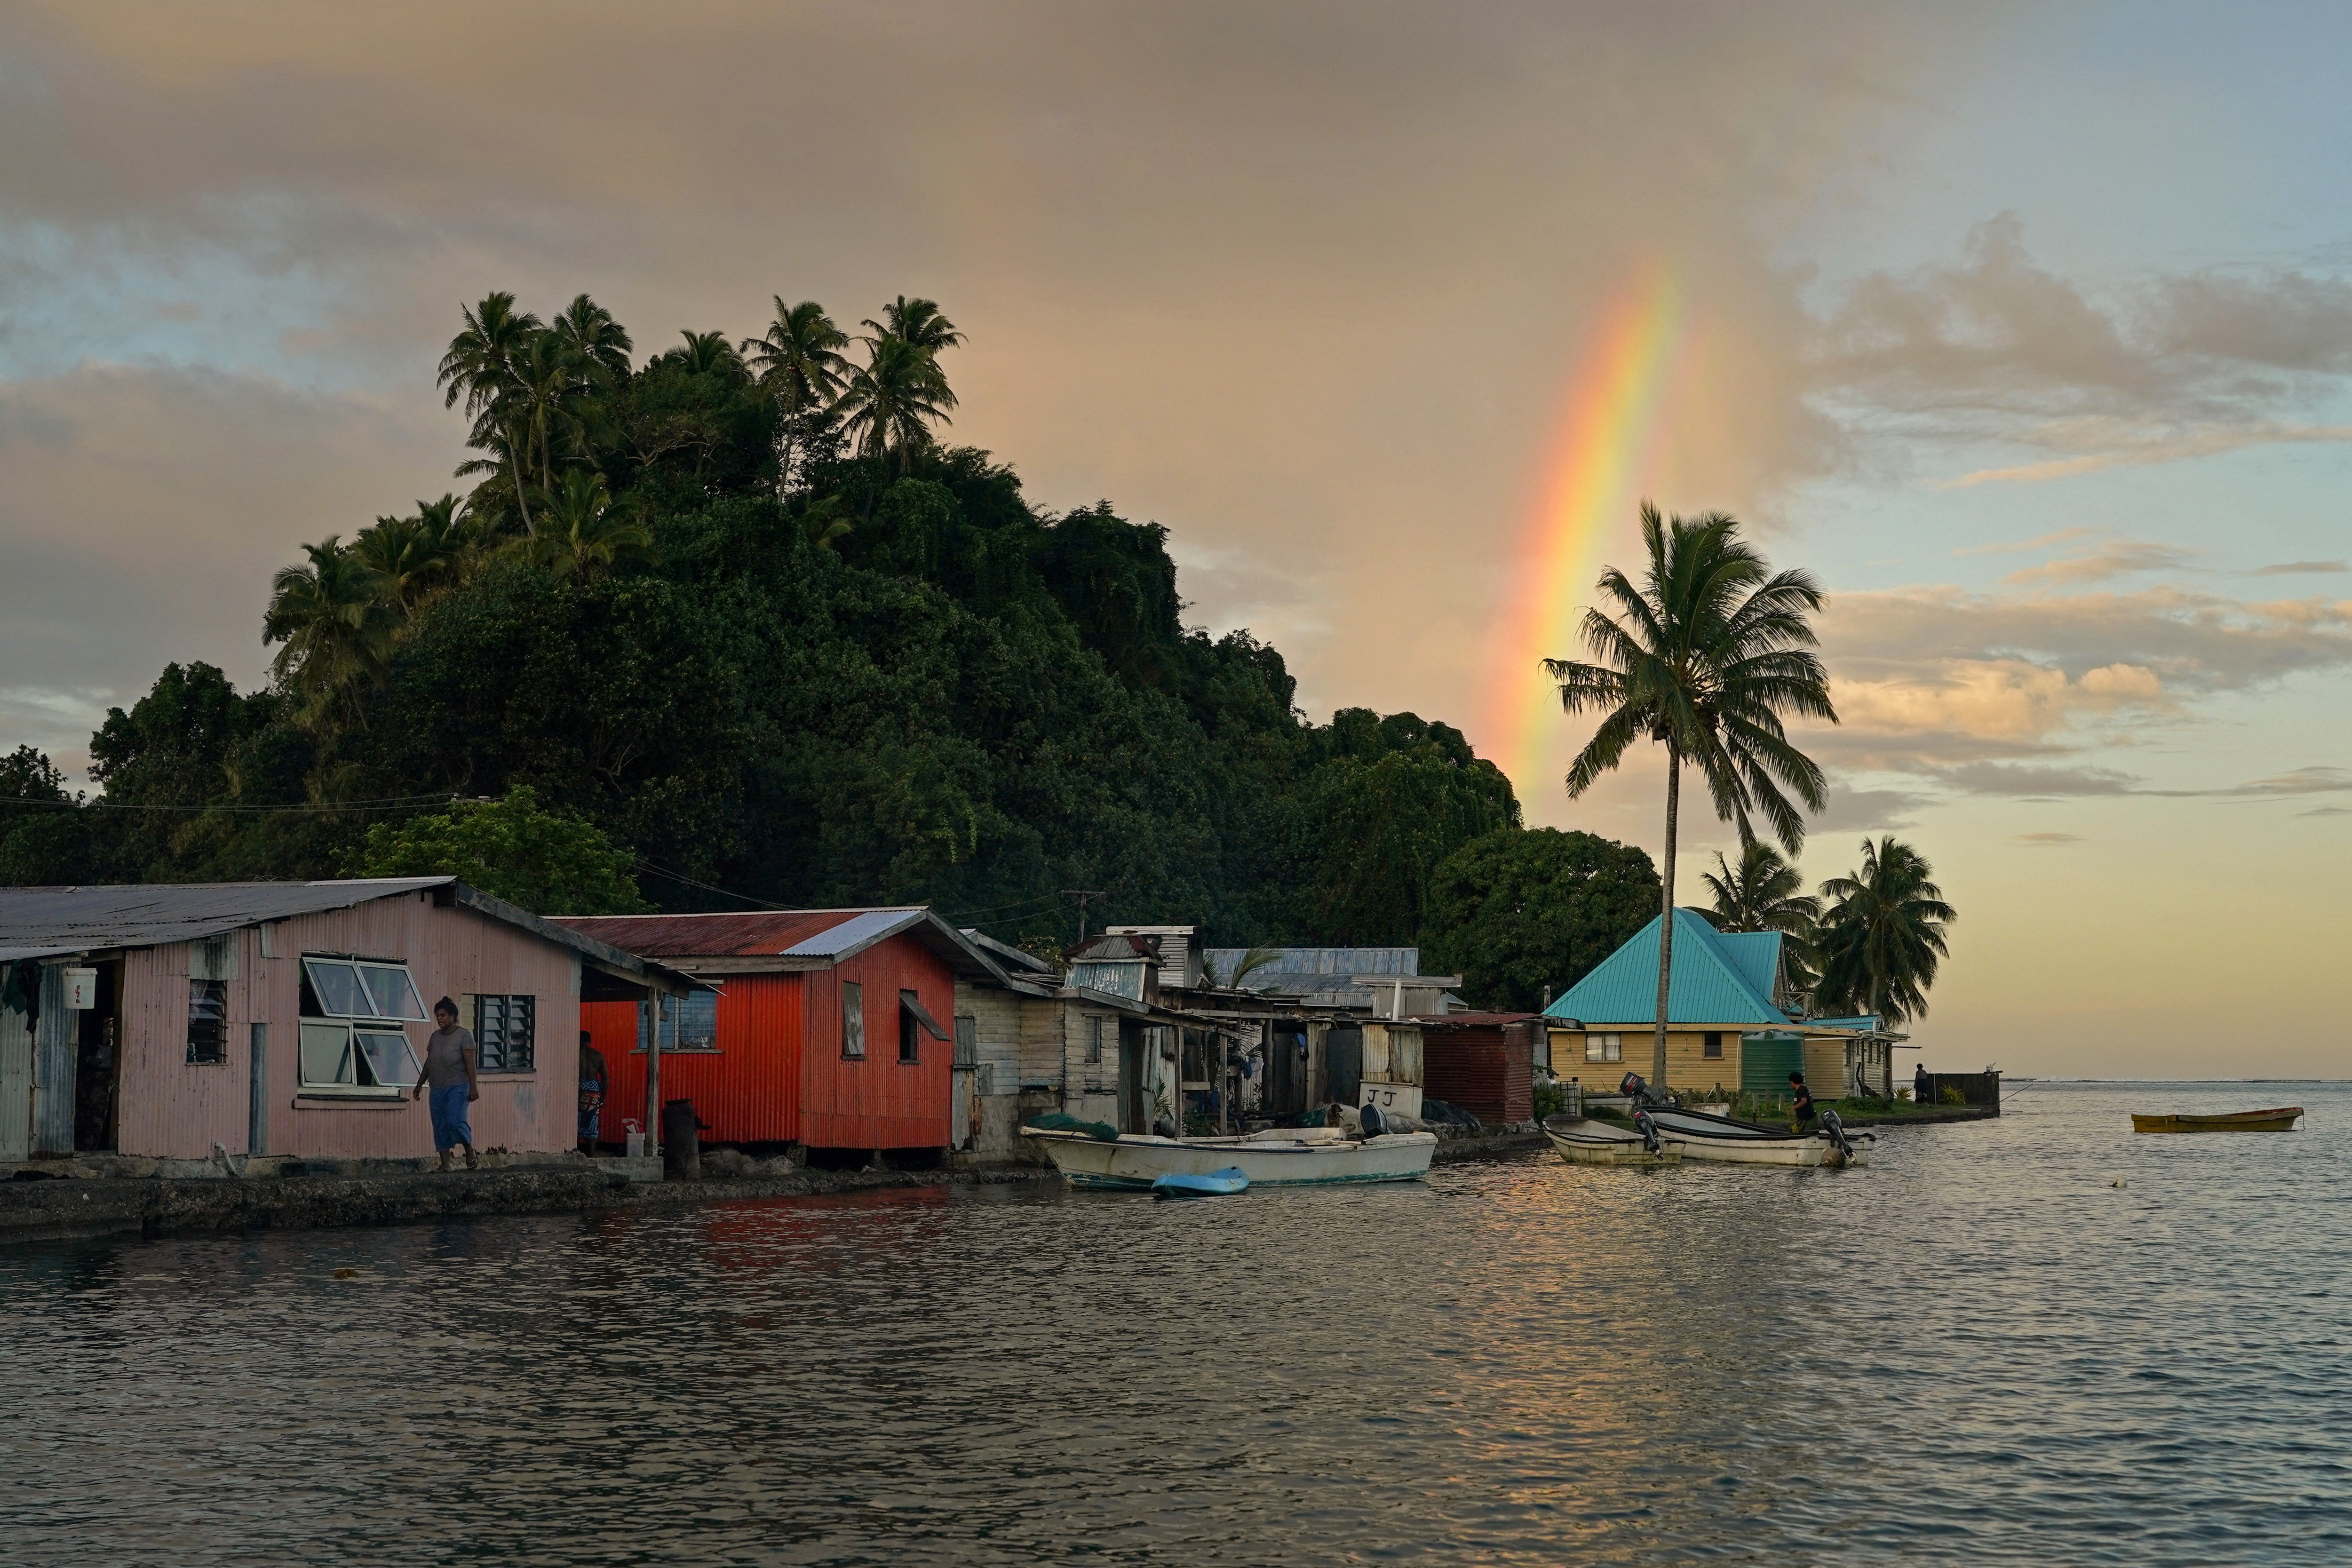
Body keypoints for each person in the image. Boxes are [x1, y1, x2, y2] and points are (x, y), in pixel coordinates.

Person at [413, 996, 480, 1170]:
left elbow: (470, 1064)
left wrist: (474, 1087)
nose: (440, 1019)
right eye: (437, 1016)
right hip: (437, 1088)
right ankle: (445, 1164)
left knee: (454, 1121)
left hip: (459, 1087)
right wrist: (420, 1084)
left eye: (443, 1015)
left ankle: (469, 1150)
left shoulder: (464, 1036)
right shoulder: (435, 1037)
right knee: (440, 1125)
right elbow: (430, 1062)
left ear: (453, 1016)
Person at [578, 1029, 608, 1155]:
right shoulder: (598, 1056)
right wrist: (603, 1098)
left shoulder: (573, 1053)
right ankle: (591, 1154)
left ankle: (574, 1149)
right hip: (593, 1090)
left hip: (577, 1088)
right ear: (590, 1042)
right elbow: (605, 1079)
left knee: (575, 1120)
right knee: (592, 1121)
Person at [1788, 1070, 1816, 1136]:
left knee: (1806, 1135)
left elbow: (1804, 1101)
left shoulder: (1802, 1089)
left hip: (1809, 1119)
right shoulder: (1799, 1090)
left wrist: (1794, 1108)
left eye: (1790, 1082)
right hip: (1803, 1118)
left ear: (1792, 1081)